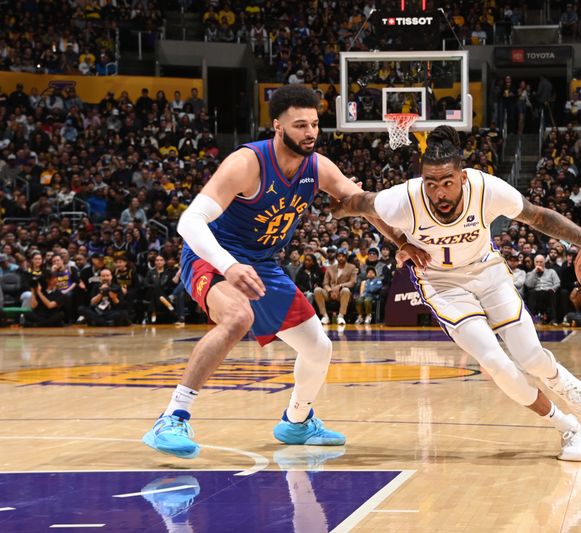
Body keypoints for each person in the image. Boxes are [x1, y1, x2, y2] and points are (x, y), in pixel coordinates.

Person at [142, 85, 426, 459]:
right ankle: (172, 416)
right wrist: (229, 264)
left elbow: (360, 204)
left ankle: (296, 420)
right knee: (237, 318)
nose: (310, 132)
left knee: (318, 347)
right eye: (299, 125)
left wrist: (400, 242)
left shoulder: (317, 166)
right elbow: (189, 222)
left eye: (314, 124)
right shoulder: (247, 163)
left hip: (260, 263)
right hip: (212, 255)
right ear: (277, 126)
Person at [333, 125, 581, 461]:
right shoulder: (405, 198)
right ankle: (567, 427)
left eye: (447, 183)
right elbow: (361, 204)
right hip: (442, 283)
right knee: (496, 363)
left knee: (530, 356)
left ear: (462, 177)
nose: (439, 192)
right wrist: (394, 238)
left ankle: (559, 379)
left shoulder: (487, 189)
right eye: (431, 184)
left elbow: (538, 217)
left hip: (487, 272)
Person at [313, 251, 357, 325]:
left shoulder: (352, 267)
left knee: (346, 290)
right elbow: (325, 283)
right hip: (330, 293)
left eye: (343, 256)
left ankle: (341, 316)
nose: (341, 258)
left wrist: (340, 286)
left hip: (342, 293)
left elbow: (352, 282)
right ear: (336, 258)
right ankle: (325, 316)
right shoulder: (330, 268)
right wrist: (330, 291)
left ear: (346, 258)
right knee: (317, 290)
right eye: (339, 256)